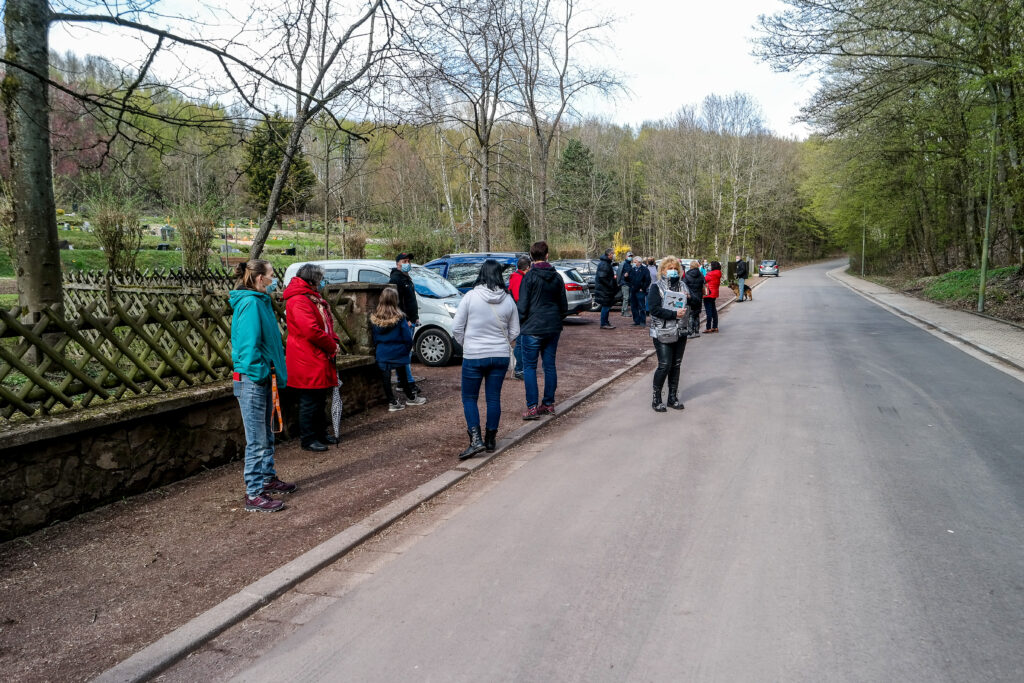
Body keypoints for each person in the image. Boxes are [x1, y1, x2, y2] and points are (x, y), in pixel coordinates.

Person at [230, 259, 295, 513]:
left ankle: (267, 479)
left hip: (263, 377)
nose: (274, 279)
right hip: (253, 379)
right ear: (259, 279)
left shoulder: (260, 302)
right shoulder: (250, 303)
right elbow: (247, 346)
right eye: (271, 275)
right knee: (257, 438)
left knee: (266, 433)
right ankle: (254, 493)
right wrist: (260, 372)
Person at [452, 260, 520, 460]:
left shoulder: (470, 297)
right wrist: (502, 342)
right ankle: (491, 439)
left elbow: (456, 327)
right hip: (499, 355)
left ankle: (476, 439)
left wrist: (468, 343)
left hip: (474, 354)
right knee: (493, 397)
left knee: (469, 397)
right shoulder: (508, 300)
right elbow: (515, 330)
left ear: (482, 273)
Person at [283, 264, 341, 452]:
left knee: (319, 398)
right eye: (320, 280)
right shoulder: (300, 300)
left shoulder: (310, 298)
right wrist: (331, 345)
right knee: (310, 400)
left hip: (313, 355)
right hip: (306, 356)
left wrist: (333, 341)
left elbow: (324, 326)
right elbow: (311, 330)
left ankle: (320, 433)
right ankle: (308, 439)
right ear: (312, 281)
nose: (322, 283)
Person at [517, 241, 567, 420]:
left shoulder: (529, 278)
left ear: (531, 257)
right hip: (552, 326)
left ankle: (532, 407)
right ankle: (548, 403)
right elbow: (563, 306)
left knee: (530, 367)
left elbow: (522, 307)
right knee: (549, 366)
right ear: (547, 255)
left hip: (533, 328)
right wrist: (557, 319)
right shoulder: (557, 277)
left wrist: (522, 323)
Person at [371, 288, 428, 412]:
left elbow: (374, 338)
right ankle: (411, 397)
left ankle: (392, 402)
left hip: (382, 351)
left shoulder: (375, 319)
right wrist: (406, 350)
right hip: (398, 351)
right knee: (402, 376)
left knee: (385, 379)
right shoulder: (400, 318)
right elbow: (407, 338)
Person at [646, 256, 691, 412]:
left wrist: (691, 299)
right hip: (662, 331)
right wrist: (674, 315)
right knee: (664, 365)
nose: (672, 271)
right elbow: (654, 309)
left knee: (676, 365)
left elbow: (696, 304)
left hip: (681, 330)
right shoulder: (655, 287)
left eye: (675, 268)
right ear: (663, 270)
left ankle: (672, 397)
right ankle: (656, 399)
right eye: (669, 268)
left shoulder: (683, 286)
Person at [389, 252, 423, 397]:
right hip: (404, 322)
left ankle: (403, 381)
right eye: (404, 261)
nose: (407, 263)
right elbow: (397, 302)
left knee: (406, 352)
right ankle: (407, 382)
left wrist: (414, 317)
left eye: (408, 260)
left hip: (410, 320)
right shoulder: (396, 279)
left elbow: (410, 301)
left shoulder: (406, 278)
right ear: (398, 263)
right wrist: (406, 319)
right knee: (405, 353)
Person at [508, 255, 531, 378]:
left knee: (521, 342)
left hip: (518, 313)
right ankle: (519, 369)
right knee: (520, 343)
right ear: (527, 267)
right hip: (519, 314)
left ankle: (520, 368)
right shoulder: (518, 278)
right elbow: (518, 297)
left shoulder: (517, 277)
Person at [594, 247, 618, 330]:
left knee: (607, 306)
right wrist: (610, 285)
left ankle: (605, 322)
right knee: (606, 306)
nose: (614, 255)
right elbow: (602, 277)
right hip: (605, 290)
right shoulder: (604, 264)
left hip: (605, 289)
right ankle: (603, 323)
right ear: (609, 254)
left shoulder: (606, 263)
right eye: (613, 253)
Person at [683, 260, 705, 337]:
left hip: (690, 296)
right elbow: (703, 284)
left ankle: (690, 332)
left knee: (690, 314)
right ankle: (697, 331)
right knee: (697, 313)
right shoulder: (701, 274)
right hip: (699, 296)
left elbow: (684, 286)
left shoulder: (687, 275)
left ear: (691, 266)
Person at [628, 255, 652, 326]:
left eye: (635, 262)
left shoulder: (645, 270)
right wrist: (626, 277)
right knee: (633, 306)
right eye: (633, 262)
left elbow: (648, 280)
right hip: (633, 290)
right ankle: (636, 321)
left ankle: (642, 321)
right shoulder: (631, 269)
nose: (634, 263)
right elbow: (629, 279)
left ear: (639, 262)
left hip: (640, 291)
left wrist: (643, 288)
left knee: (641, 306)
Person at [703, 260, 722, 333]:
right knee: (714, 310)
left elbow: (704, 280)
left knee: (708, 311)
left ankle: (708, 327)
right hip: (714, 293)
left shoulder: (710, 274)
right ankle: (715, 326)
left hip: (708, 293)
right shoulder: (718, 273)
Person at [617, 251, 633, 317]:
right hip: (624, 283)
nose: (630, 257)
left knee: (626, 298)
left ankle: (623, 311)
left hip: (628, 283)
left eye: (631, 256)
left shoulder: (629, 264)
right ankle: (625, 311)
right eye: (629, 256)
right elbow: (619, 273)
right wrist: (619, 282)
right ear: (626, 257)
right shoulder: (623, 264)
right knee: (626, 298)